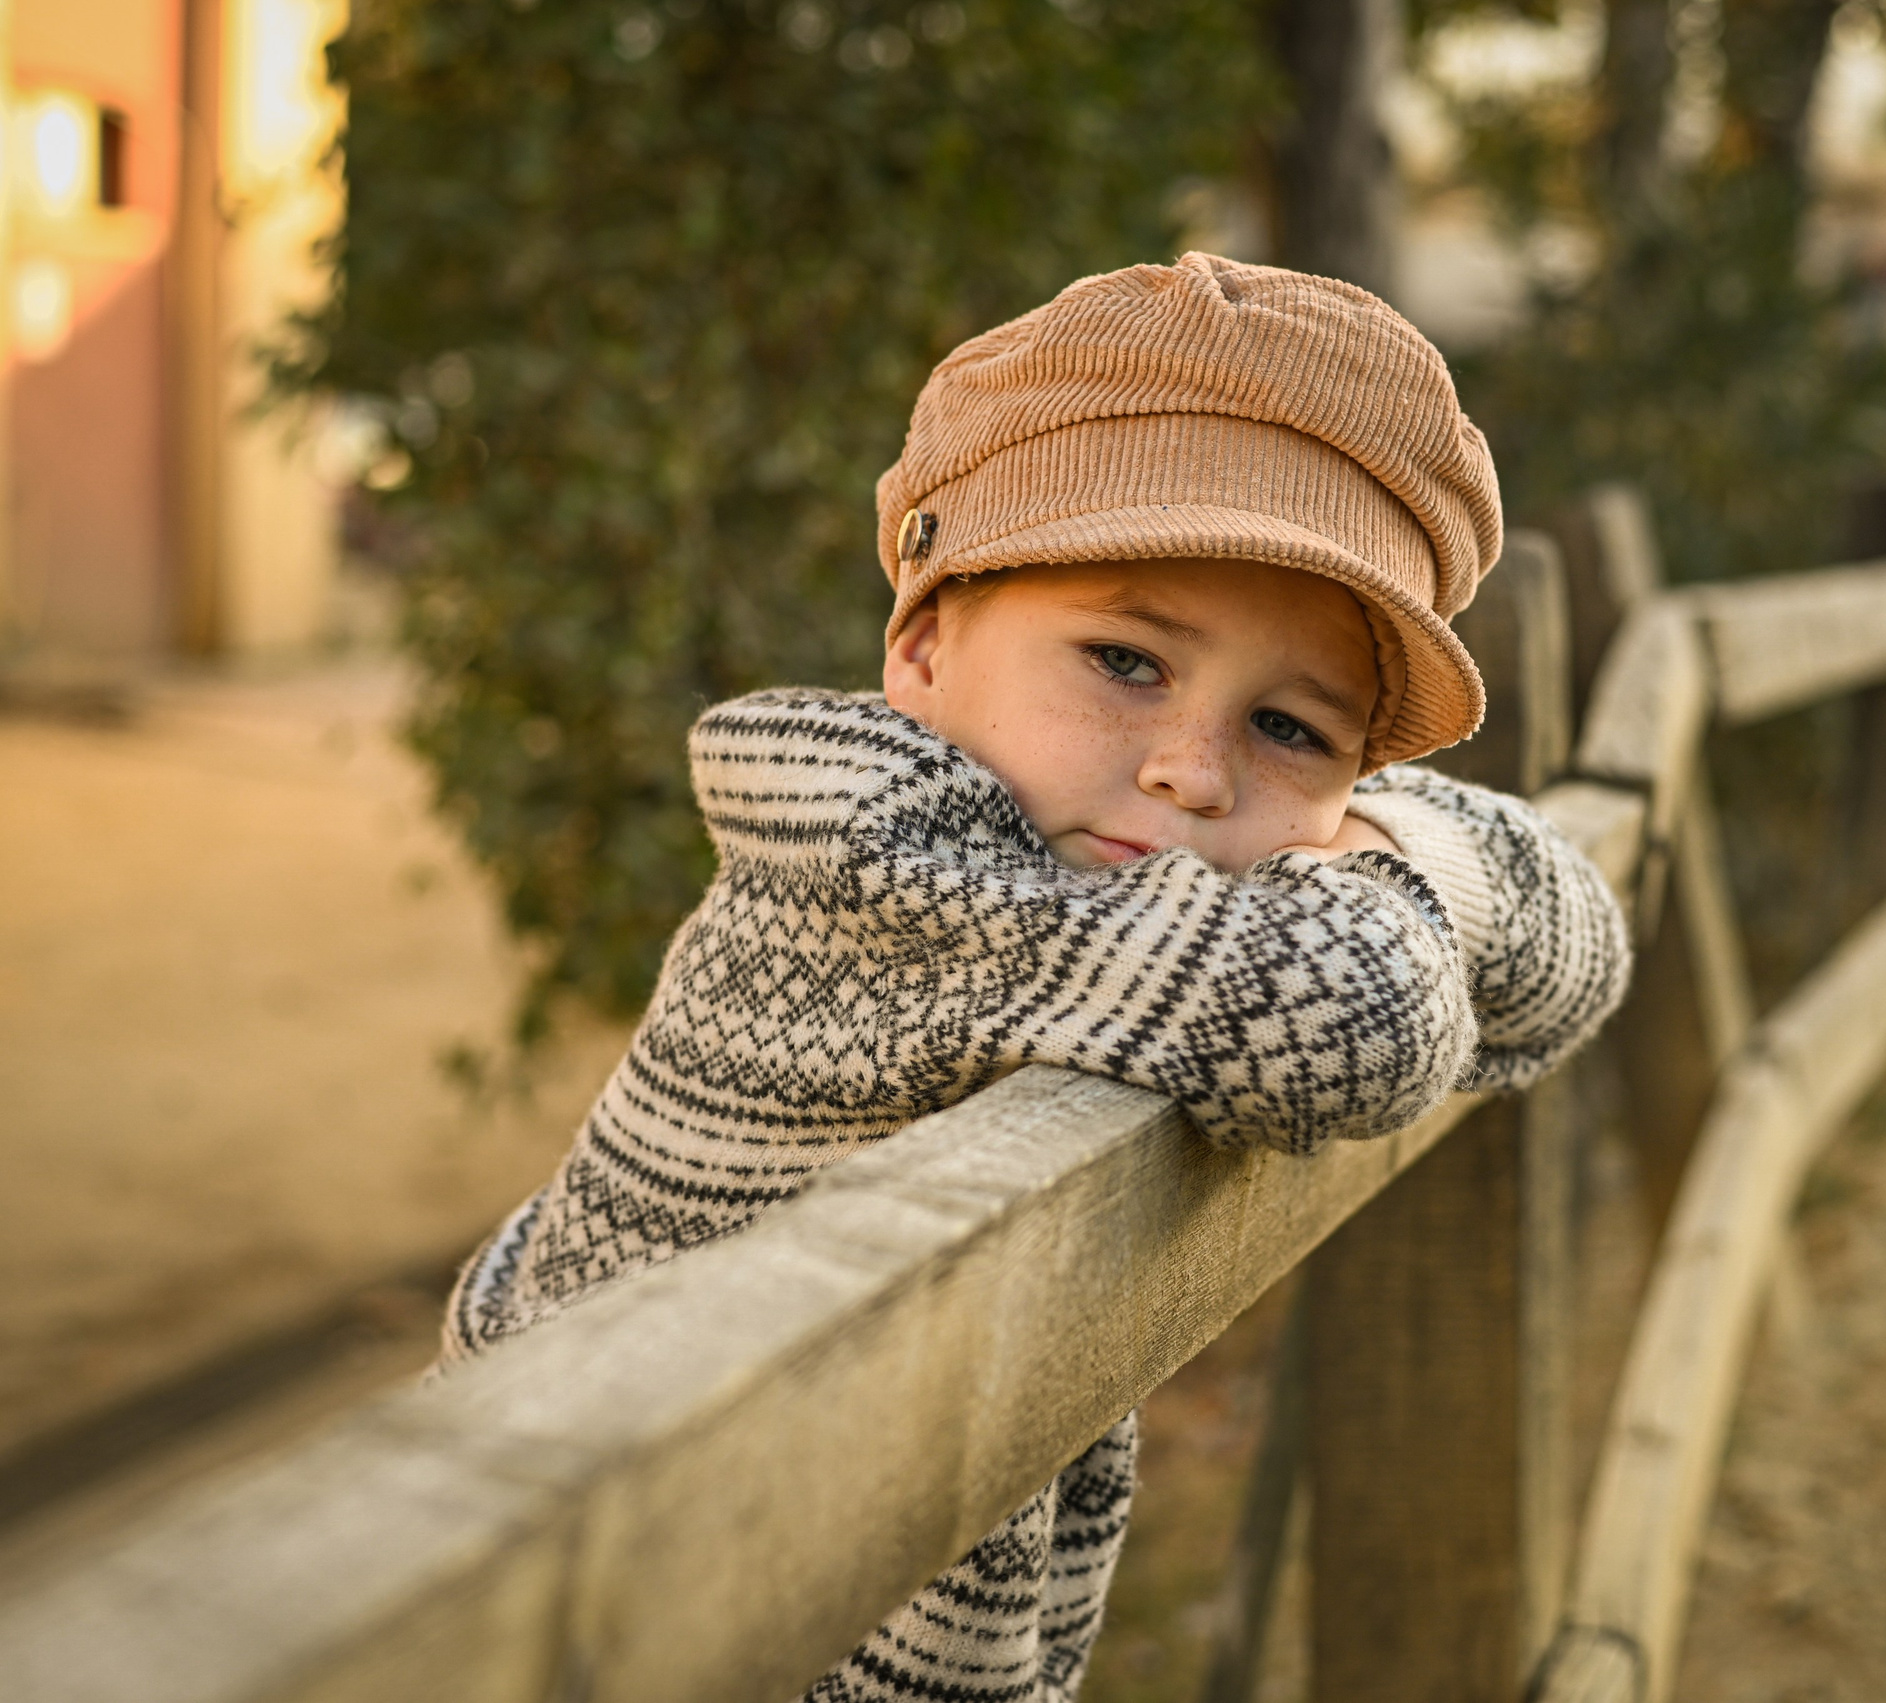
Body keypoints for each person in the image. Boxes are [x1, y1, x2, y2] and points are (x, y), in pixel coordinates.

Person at [439, 253, 1633, 1701]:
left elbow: (1578, 944)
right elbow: (1365, 1021)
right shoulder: (872, 859)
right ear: (927, 644)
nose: (1191, 769)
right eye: (1127, 660)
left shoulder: (1106, 906)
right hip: (567, 1621)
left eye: (1290, 729)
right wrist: (1370, 846)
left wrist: (1374, 836)